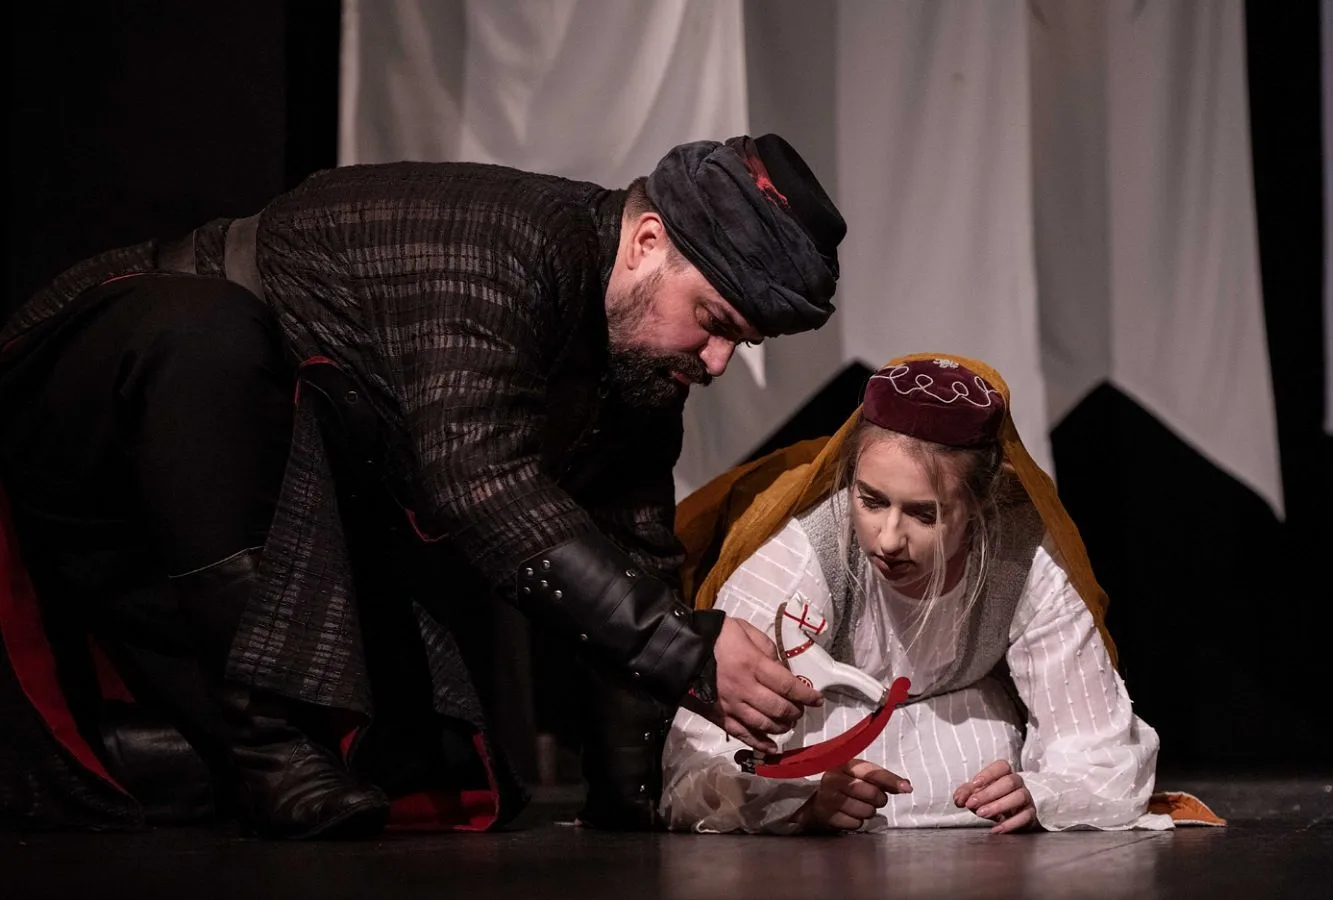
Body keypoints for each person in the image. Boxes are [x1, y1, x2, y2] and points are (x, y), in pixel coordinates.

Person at [0, 134, 841, 837]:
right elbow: (479, 483)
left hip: (285, 499)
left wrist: (639, 792)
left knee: (435, 766)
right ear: (647, 241)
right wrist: (686, 648)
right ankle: (265, 746)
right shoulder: (506, 246)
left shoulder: (639, 367)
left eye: (741, 343)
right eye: (714, 322)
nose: (716, 362)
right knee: (203, 334)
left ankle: (212, 757)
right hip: (107, 410)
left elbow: (634, 551)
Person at [662, 354, 1206, 834]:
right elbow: (699, 763)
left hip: (977, 827)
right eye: (871, 501)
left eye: (925, 514)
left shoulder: (1020, 558)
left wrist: (1042, 793)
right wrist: (798, 804)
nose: (888, 539)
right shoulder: (803, 550)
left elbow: (1100, 750)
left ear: (981, 504)